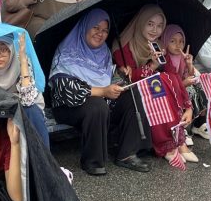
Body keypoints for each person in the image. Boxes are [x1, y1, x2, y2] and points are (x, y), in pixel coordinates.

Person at [49, 9, 150, 175]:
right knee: (97, 105)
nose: (100, 34)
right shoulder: (67, 50)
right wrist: (103, 91)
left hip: (101, 100)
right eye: (95, 28)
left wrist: (121, 76)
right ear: (85, 27)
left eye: (105, 30)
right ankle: (93, 161)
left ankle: (127, 154)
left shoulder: (104, 52)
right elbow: (64, 89)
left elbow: (109, 78)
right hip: (68, 105)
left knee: (131, 94)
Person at [112, 5, 192, 167]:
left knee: (166, 78)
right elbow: (129, 78)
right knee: (159, 82)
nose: (155, 30)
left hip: (155, 92)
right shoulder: (123, 45)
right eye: (150, 24)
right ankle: (168, 145)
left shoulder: (158, 46)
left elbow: (173, 76)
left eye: (160, 25)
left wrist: (188, 107)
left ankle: (176, 140)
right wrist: (153, 66)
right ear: (141, 22)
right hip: (128, 95)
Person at [0, 34, 49, 147]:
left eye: (3, 49)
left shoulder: (21, 63)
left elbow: (28, 100)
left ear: (11, 50)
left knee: (32, 110)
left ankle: (44, 160)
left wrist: (23, 62)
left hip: (21, 112)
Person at [161, 24, 208, 139]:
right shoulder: (164, 60)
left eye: (181, 41)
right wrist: (184, 84)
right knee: (190, 90)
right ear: (165, 41)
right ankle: (184, 129)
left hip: (182, 87)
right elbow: (168, 85)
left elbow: (189, 75)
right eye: (173, 41)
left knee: (202, 87)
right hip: (169, 92)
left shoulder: (182, 57)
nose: (178, 45)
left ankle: (199, 123)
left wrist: (189, 64)